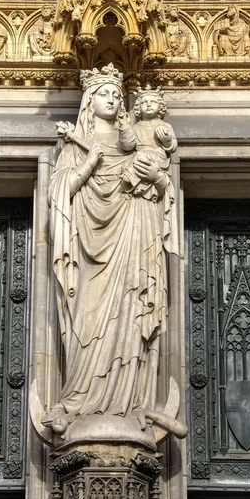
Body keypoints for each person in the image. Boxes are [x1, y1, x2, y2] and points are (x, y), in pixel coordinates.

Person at [46, 64, 179, 439]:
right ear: (90, 99)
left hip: (134, 237)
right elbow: (61, 192)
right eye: (104, 93)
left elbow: (160, 185)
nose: (113, 98)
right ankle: (79, 400)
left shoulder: (136, 142)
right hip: (89, 248)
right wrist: (89, 163)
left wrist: (157, 180)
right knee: (87, 320)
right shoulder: (74, 145)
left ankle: (131, 402)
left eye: (116, 94)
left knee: (131, 314)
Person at [119, 85, 177, 203]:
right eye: (144, 102)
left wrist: (166, 139)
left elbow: (173, 145)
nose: (149, 104)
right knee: (135, 158)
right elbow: (128, 145)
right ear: (138, 108)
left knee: (140, 156)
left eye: (153, 102)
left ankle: (131, 177)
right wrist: (125, 126)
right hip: (140, 159)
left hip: (157, 157)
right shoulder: (136, 127)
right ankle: (133, 181)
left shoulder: (165, 126)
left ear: (160, 106)